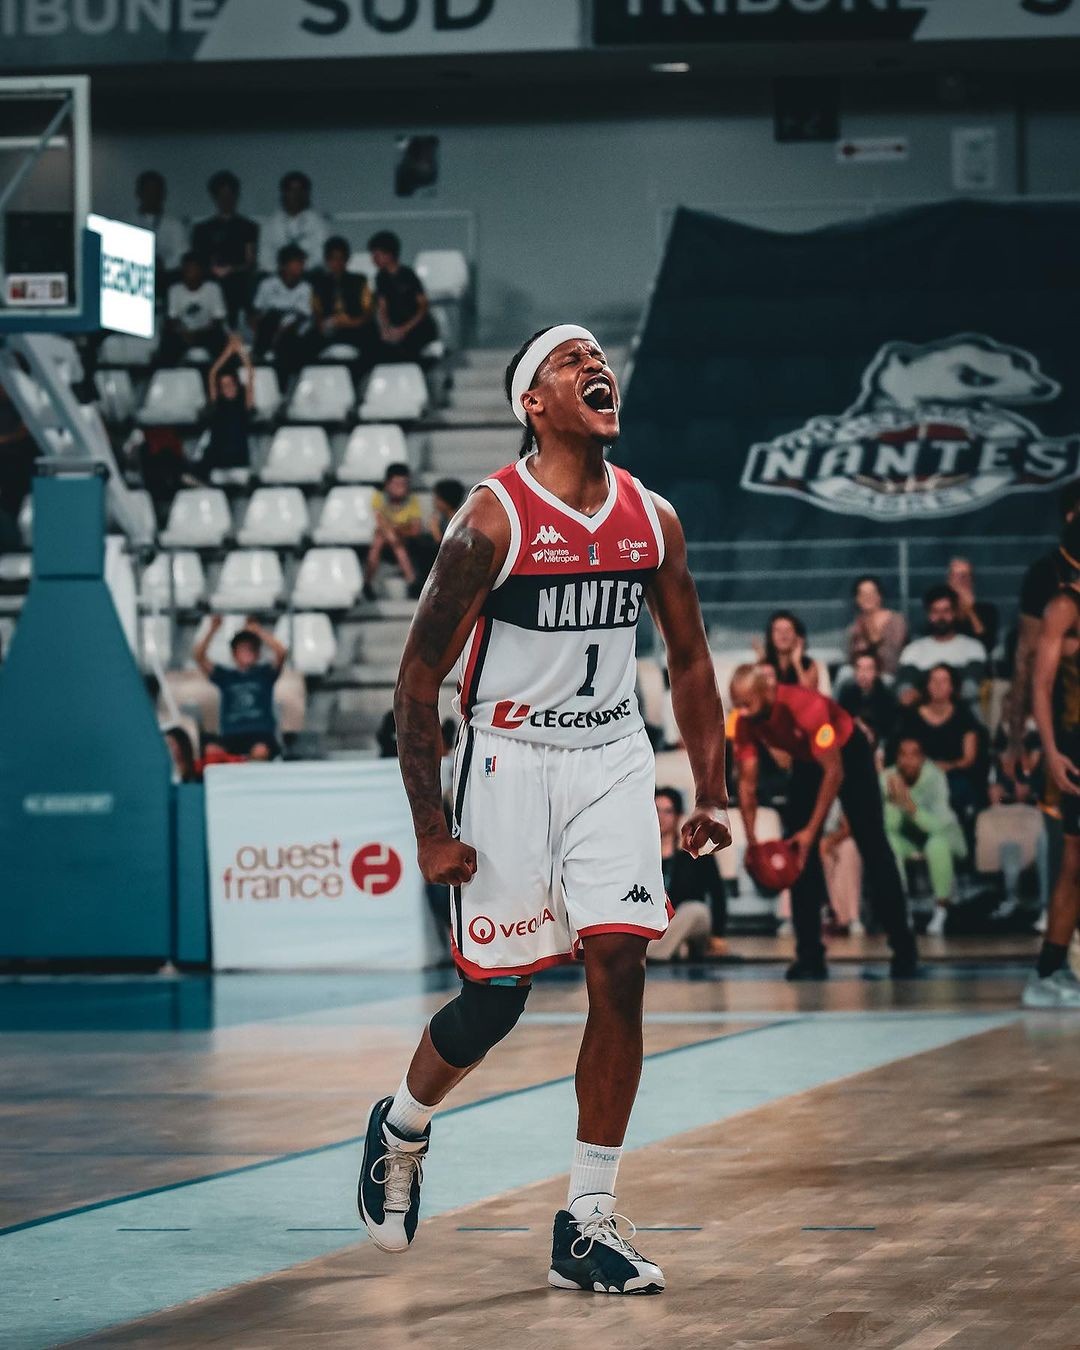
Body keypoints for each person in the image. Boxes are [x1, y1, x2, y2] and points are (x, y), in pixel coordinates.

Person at [357, 324, 731, 1296]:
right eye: (570, 360)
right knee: (496, 1001)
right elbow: (417, 678)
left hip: (611, 755)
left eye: (598, 356)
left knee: (621, 965)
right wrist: (431, 832)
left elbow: (691, 658)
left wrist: (713, 786)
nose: (595, 365)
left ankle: (586, 1222)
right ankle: (402, 1125)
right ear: (533, 403)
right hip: (509, 760)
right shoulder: (491, 521)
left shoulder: (653, 518)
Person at [730, 663, 918, 981]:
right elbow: (747, 785)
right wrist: (752, 841)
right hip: (807, 760)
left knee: (873, 846)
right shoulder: (746, 721)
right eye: (738, 705)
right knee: (798, 854)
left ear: (764, 692)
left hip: (849, 755)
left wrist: (812, 831)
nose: (742, 712)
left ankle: (904, 947)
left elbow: (835, 772)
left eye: (747, 703)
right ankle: (809, 955)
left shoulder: (806, 706)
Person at [1024, 515, 1080, 1007]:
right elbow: (1040, 685)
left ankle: (1052, 967)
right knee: (1074, 862)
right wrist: (1052, 751)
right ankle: (1047, 971)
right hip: (1076, 743)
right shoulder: (1064, 606)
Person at [882, 737, 967, 938]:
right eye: (903, 755)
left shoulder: (935, 778)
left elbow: (939, 826)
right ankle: (901, 907)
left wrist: (910, 807)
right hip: (907, 839)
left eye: (914, 755)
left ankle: (941, 910)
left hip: (944, 835)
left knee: (937, 844)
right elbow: (888, 827)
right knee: (889, 844)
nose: (908, 761)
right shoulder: (887, 778)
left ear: (923, 759)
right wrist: (895, 803)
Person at [648, 786, 728, 960]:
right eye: (657, 810)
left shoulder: (694, 851)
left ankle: (651, 954)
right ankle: (675, 949)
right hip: (656, 924)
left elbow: (717, 893)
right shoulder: (644, 854)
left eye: (668, 812)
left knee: (695, 911)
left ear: (678, 816)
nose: (661, 817)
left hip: (689, 919)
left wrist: (718, 934)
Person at [193, 615, 287, 760]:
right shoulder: (225, 676)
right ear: (234, 654)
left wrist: (258, 631)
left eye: (251, 649)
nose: (247, 653)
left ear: (257, 653)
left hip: (260, 735)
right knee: (211, 751)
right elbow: (199, 657)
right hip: (231, 736)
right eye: (242, 649)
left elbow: (281, 653)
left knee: (260, 751)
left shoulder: (265, 674)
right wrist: (212, 630)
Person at [897, 664, 983, 820]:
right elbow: (905, 751)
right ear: (927, 685)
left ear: (952, 687)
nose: (938, 685)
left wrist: (947, 766)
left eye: (944, 681)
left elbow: (969, 758)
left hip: (953, 775)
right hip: (918, 774)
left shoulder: (964, 716)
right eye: (934, 680)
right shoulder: (912, 716)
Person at [895, 585, 987, 706]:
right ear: (928, 615)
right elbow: (905, 692)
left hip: (961, 711)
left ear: (954, 613)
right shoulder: (913, 650)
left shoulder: (973, 648)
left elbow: (970, 690)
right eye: (935, 611)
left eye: (946, 611)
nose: (941, 617)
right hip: (922, 712)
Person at [191, 170, 259, 326]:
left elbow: (250, 261)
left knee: (237, 285)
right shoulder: (202, 229)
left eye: (230, 196)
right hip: (209, 278)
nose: (226, 201)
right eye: (222, 196)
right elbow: (197, 261)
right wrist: (212, 270)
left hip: (238, 278)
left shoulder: (248, 227)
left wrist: (231, 269)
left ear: (236, 197)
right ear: (215, 198)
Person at [368, 230, 439, 364]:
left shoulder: (408, 274)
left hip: (416, 325)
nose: (374, 259)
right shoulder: (381, 277)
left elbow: (423, 308)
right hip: (396, 326)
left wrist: (404, 329)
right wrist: (386, 329)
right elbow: (383, 307)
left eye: (377, 255)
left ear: (389, 254)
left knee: (409, 346)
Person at [252, 244, 313, 379]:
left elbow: (301, 317)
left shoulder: (306, 288)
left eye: (302, 263)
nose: (301, 266)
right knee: (272, 317)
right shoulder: (267, 285)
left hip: (294, 337)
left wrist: (279, 335)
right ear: (284, 265)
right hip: (268, 333)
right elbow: (257, 314)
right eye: (297, 263)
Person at [310, 235, 376, 363]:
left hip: (355, 327)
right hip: (330, 330)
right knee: (309, 338)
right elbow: (316, 312)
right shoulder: (319, 283)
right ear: (327, 260)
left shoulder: (359, 280)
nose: (337, 263)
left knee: (371, 334)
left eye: (341, 258)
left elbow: (368, 311)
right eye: (333, 259)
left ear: (346, 259)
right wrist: (327, 323)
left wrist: (352, 322)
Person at [364, 462, 423, 599]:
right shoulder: (378, 497)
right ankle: (411, 580)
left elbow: (415, 530)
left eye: (404, 484)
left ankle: (411, 582)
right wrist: (393, 531)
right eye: (396, 484)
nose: (401, 488)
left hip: (404, 541)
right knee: (380, 539)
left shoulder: (412, 500)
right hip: (383, 540)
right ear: (387, 484)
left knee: (394, 542)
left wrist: (398, 531)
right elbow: (380, 523)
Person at [158, 253, 228, 367]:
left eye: (193, 269)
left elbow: (218, 319)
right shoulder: (174, 290)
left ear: (201, 271)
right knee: (169, 340)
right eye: (186, 269)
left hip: (207, 332)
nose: (189, 273)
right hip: (183, 333)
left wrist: (199, 333)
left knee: (219, 339)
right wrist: (184, 333)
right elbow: (173, 319)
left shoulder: (213, 288)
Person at [203, 336, 254, 478]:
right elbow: (212, 374)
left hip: (239, 457)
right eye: (224, 386)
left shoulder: (243, 404)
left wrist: (240, 351)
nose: (228, 388)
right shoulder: (217, 403)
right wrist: (227, 352)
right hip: (220, 459)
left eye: (231, 384)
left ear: (236, 385)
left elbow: (250, 374)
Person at [259, 170, 328, 273]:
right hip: (277, 275)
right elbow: (265, 257)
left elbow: (320, 256)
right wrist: (283, 271)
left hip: (309, 274)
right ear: (283, 193)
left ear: (307, 194)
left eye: (300, 190)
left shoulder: (319, 223)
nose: (296, 195)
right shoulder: (270, 224)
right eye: (291, 190)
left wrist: (297, 269)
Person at [846, 575, 907, 677]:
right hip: (862, 676)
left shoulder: (897, 620)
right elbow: (850, 657)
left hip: (889, 674)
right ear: (857, 599)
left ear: (879, 595)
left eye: (872, 593)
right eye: (863, 594)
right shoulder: (853, 627)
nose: (867, 597)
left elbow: (894, 653)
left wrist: (872, 638)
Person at [130, 169, 186, 279]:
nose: (151, 195)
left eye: (155, 191)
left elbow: (182, 255)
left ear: (163, 194)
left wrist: (163, 265)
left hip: (167, 277)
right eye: (147, 191)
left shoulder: (175, 225)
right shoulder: (127, 223)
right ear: (138, 193)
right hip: (135, 275)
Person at [0, 382, 36, 550]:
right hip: (8, 461)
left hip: (19, 462)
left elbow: (28, 428)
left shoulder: (22, 402)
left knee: (12, 503)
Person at [838, 651, 898, 751]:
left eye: (868, 669)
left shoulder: (887, 696)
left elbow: (889, 730)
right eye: (859, 668)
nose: (863, 674)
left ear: (877, 672)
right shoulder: (847, 693)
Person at [947, 557, 998, 657]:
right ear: (949, 581)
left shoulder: (988, 610)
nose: (961, 581)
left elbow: (987, 645)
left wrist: (970, 611)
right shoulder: (939, 610)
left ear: (972, 580)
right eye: (957, 576)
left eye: (965, 576)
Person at [760, 609, 820, 690]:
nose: (783, 635)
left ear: (797, 636)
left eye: (788, 630)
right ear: (770, 636)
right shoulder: (763, 665)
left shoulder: (809, 665)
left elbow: (810, 693)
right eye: (777, 630)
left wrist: (797, 663)